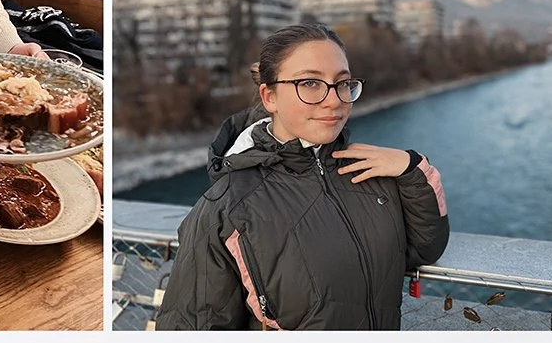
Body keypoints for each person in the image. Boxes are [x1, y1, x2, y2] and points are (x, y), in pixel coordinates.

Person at [159, 24, 449, 328]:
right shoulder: (228, 206)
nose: (334, 100)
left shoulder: (370, 172)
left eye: (342, 83)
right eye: (310, 83)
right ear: (269, 97)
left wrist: (411, 168)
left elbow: (425, 248)